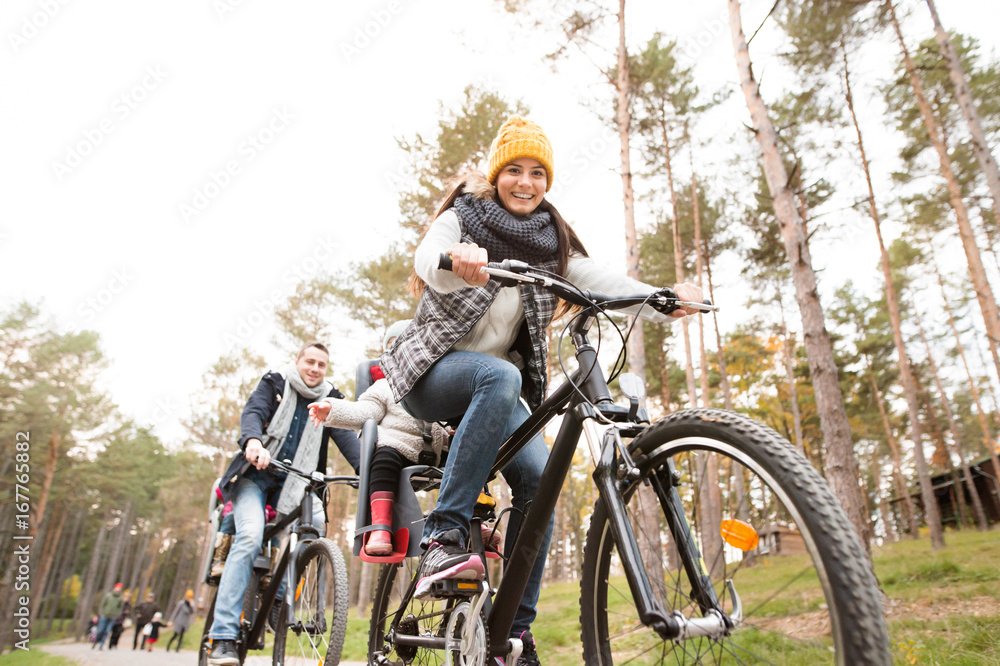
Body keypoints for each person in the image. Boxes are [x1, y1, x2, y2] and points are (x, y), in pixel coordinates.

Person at [379, 115, 702, 666]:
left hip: (495, 394)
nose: (525, 182)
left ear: (546, 181)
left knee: (541, 478)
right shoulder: (464, 218)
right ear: (496, 174)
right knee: (498, 374)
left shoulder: (550, 243)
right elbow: (425, 259)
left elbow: (596, 278)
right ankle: (444, 540)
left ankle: (512, 636)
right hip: (432, 374)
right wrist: (459, 259)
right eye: (514, 171)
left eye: (537, 172)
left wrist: (662, 298)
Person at [208, 341, 362, 665]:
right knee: (250, 535)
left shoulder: (331, 399)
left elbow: (350, 442)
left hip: (297, 485)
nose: (315, 369)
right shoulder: (275, 382)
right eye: (310, 361)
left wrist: (370, 474)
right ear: (298, 361)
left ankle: (281, 598)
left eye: (322, 364)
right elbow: (253, 413)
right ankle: (222, 635)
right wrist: (253, 441)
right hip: (255, 479)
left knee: (315, 528)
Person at [308, 320, 460, 557]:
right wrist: (333, 409)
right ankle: (381, 526)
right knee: (384, 457)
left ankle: (473, 519)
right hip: (400, 446)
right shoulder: (384, 386)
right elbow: (364, 411)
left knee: (470, 455)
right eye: (393, 351)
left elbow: (455, 415)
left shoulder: (440, 384)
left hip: (440, 451)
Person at [92, 582, 125, 650]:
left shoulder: (120, 598)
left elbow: (120, 608)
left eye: (120, 588)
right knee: (100, 630)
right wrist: (101, 613)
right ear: (115, 588)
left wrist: (117, 615)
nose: (118, 589)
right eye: (117, 587)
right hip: (104, 616)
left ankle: (101, 644)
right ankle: (96, 641)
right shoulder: (108, 595)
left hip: (113, 617)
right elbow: (102, 605)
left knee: (107, 631)